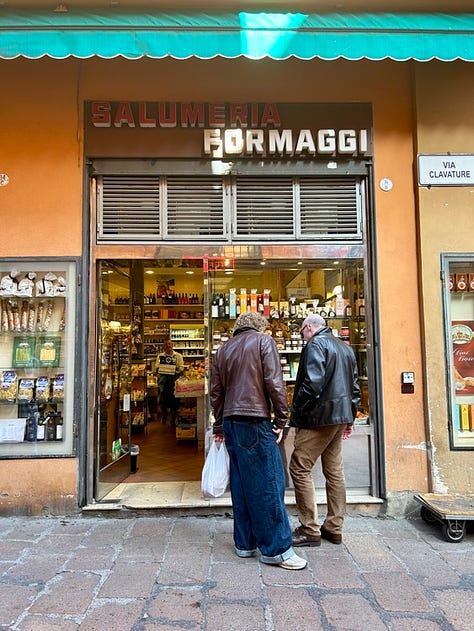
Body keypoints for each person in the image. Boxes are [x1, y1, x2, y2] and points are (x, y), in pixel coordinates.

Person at [210, 311, 307, 571]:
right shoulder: (264, 342)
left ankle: (245, 543)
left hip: (231, 422)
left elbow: (216, 393)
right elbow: (274, 383)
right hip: (255, 420)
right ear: (260, 326)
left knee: (241, 484)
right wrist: (281, 420)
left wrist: (219, 424)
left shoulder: (223, 350)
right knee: (268, 484)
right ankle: (277, 550)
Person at [289, 313, 361, 547]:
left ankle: (309, 528)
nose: (302, 336)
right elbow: (355, 387)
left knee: (300, 468)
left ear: (309, 327)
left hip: (319, 417)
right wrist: (349, 417)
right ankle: (334, 527)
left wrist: (296, 407)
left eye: (302, 332)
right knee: (334, 471)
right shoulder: (345, 347)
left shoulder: (315, 344)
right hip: (339, 417)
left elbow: (312, 384)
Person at [155, 339, 184, 426]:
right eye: (166, 344)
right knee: (163, 400)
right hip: (163, 382)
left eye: (170, 344)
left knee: (174, 401)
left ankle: (172, 420)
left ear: (172, 345)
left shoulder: (178, 356)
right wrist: (163, 369)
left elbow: (181, 367)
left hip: (174, 381)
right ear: (164, 346)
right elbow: (157, 367)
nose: (168, 346)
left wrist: (174, 369)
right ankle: (164, 414)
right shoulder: (160, 356)